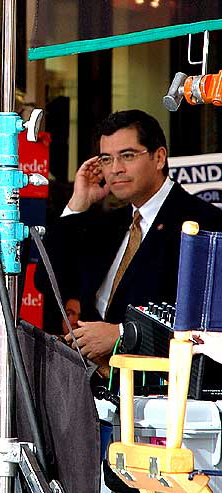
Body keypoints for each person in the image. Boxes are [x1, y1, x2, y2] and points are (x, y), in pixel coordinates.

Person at [35, 109, 222, 365]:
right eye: (106, 159)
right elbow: (48, 282)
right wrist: (78, 204)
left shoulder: (204, 224)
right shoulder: (107, 225)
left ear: (159, 157)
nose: (115, 169)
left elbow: (208, 325)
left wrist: (121, 333)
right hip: (95, 387)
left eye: (127, 156)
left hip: (164, 392)